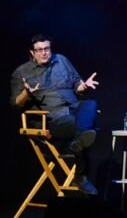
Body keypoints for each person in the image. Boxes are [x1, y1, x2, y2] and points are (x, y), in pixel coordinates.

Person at [10, 34, 100, 195]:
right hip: (52, 120)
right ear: (32, 52)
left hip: (74, 109)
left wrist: (84, 86)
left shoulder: (62, 61)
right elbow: (15, 103)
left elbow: (77, 86)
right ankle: (80, 174)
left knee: (91, 104)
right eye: (39, 50)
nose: (44, 53)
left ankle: (78, 148)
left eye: (47, 49)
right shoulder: (21, 72)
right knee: (87, 128)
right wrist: (26, 94)